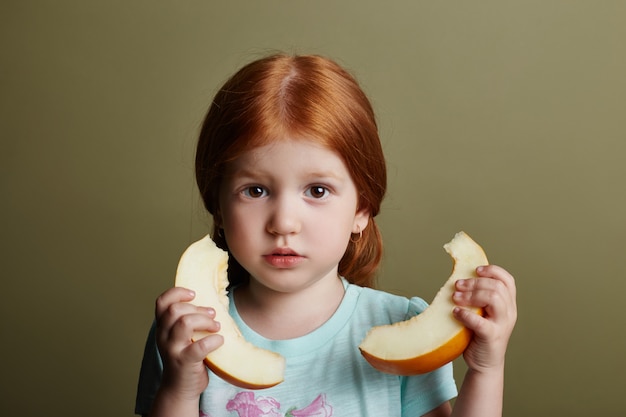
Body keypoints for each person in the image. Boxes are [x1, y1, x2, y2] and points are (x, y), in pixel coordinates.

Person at [135, 53, 517, 417]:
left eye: (317, 191)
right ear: (218, 205)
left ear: (362, 209)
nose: (284, 222)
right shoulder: (187, 331)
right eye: (255, 190)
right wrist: (180, 388)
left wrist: (486, 368)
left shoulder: (403, 323)